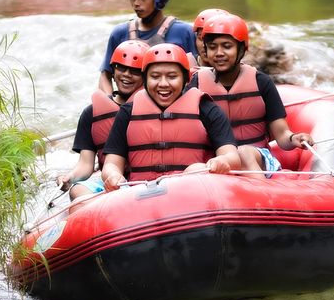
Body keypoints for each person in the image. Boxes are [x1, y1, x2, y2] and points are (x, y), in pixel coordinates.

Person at [101, 43, 240, 191]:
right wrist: (113, 175)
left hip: (194, 191)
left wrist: (221, 161)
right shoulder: (128, 113)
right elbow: (112, 163)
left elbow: (232, 157)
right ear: (145, 80)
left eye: (172, 77)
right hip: (140, 193)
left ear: (186, 79)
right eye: (155, 77)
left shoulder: (206, 109)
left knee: (197, 168)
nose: (163, 84)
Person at [188, 13, 313, 176]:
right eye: (212, 47)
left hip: (258, 157)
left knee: (243, 152)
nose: (218, 53)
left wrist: (294, 138)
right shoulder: (196, 85)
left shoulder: (261, 82)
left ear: (241, 48)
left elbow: (281, 134)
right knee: (198, 167)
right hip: (217, 161)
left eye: (227, 46)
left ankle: (262, 196)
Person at [58, 40, 149, 199]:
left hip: (145, 178)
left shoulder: (154, 108)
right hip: (109, 181)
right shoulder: (91, 113)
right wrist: (70, 178)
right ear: (113, 71)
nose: (126, 74)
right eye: (121, 67)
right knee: (78, 191)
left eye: (135, 70)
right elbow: (86, 164)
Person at [98, 0, 196, 94]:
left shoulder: (184, 32)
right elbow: (105, 74)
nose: (136, 3)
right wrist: (110, 103)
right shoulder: (119, 33)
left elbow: (196, 75)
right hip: (129, 107)